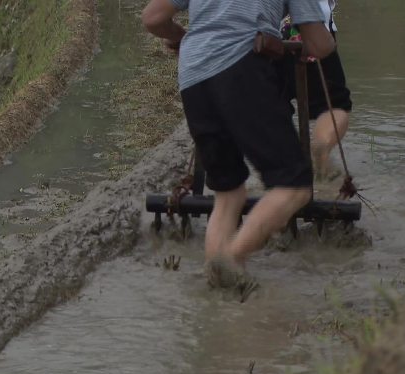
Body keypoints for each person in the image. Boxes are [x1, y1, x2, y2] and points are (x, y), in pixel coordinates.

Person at [141, 0, 336, 288]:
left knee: (228, 193)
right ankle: (231, 257)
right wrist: (321, 42)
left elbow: (153, 18)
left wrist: (184, 38)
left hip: (193, 77)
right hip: (242, 69)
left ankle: (219, 294)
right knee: (294, 187)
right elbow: (319, 46)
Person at [279, 0, 352, 180]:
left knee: (273, 108)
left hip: (261, 36)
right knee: (335, 106)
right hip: (312, 31)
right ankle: (322, 143)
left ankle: (283, 163)